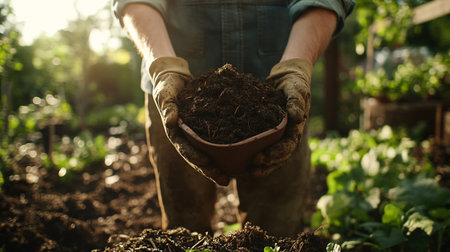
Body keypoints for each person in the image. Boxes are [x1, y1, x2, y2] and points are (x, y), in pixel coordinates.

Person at [112, 0, 354, 237]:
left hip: (278, 98)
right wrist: (163, 67)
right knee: (184, 230)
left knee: (274, 235)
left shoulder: (280, 97)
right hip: (177, 96)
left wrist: (297, 66)